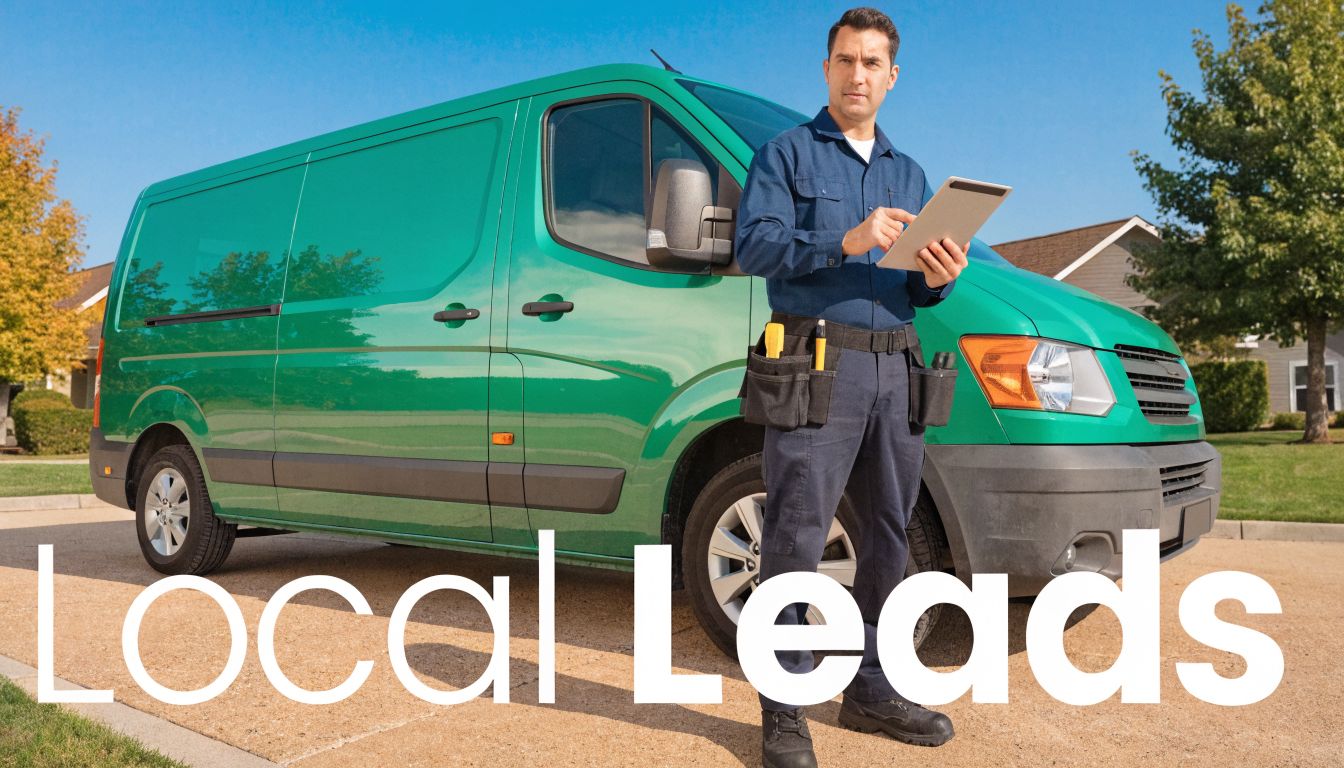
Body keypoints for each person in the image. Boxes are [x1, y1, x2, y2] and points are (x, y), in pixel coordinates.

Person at [734, 7, 970, 768]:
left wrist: (940, 278)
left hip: (895, 369)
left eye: (873, 63)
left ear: (892, 76)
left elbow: (919, 289)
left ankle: (869, 687)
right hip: (818, 366)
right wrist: (847, 236)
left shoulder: (912, 173)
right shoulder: (786, 155)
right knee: (796, 535)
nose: (858, 74)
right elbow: (754, 246)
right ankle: (784, 706)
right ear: (826, 69)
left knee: (889, 536)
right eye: (846, 60)